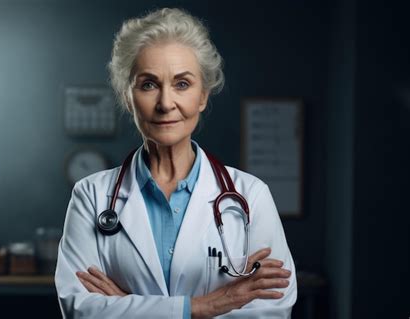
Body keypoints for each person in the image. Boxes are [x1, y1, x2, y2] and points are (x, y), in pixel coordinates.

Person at [55, 8, 297, 318]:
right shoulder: (91, 196)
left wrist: (129, 307)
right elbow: (80, 309)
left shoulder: (251, 195)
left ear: (203, 97)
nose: (166, 103)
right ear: (128, 97)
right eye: (148, 85)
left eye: (182, 84)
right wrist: (203, 306)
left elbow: (271, 311)